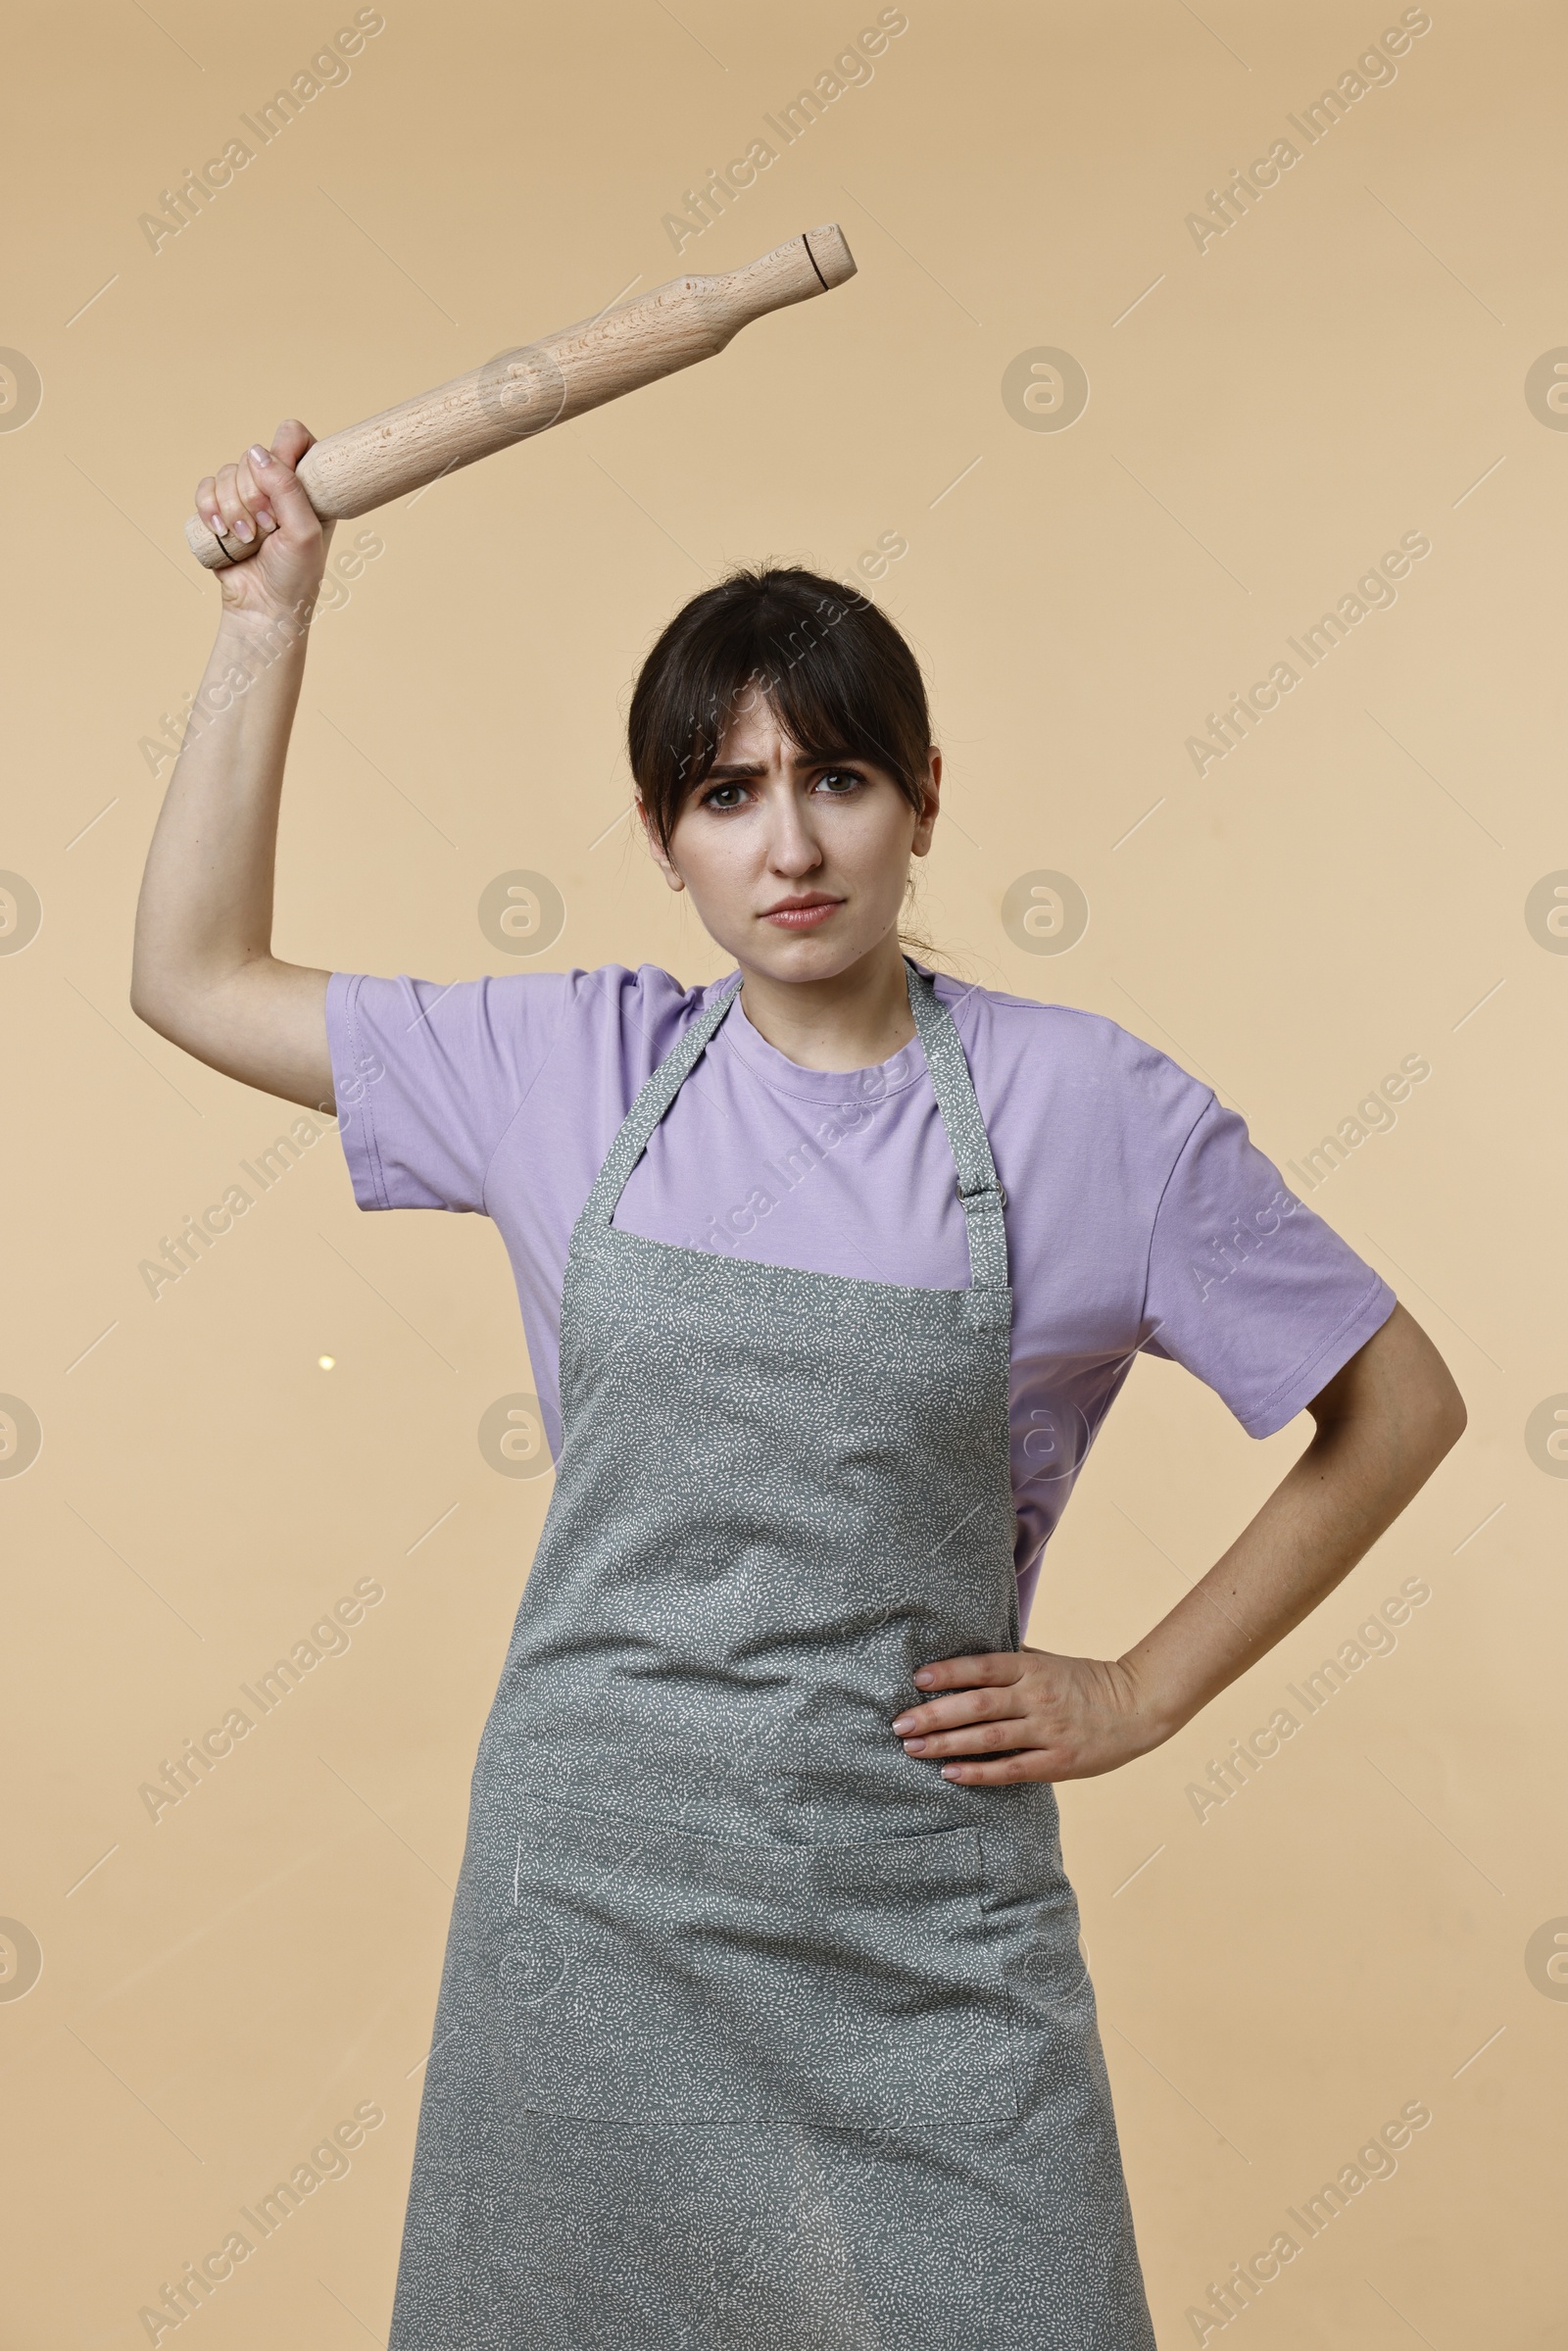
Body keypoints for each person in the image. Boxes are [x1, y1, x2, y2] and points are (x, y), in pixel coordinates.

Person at [131, 421, 1466, 2349]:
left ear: (923, 799)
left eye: (834, 779)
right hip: (587, 1903)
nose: (787, 844)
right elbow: (191, 972)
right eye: (725, 793)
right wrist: (270, 618)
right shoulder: (558, 1067)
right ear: (663, 837)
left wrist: (1140, 1690)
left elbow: (1396, 1404)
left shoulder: (1086, 1108)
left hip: (919, 1921)